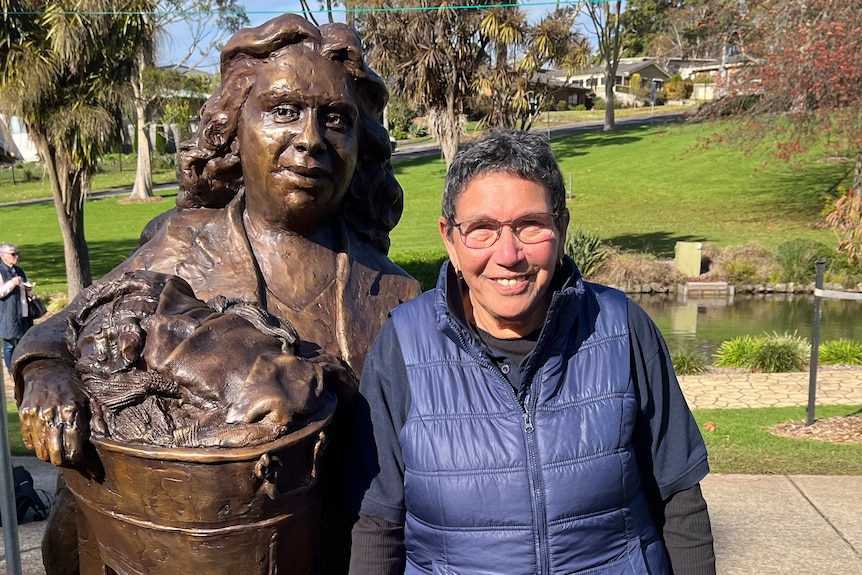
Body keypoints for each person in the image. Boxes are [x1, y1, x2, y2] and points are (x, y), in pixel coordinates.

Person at [12, 14, 419, 575]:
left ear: (359, 142)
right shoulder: (181, 247)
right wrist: (45, 374)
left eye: (335, 119)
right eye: (283, 111)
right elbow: (63, 326)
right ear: (233, 127)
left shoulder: (395, 293)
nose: (309, 139)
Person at [349, 129, 716, 575]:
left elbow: (680, 501)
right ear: (450, 238)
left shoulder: (622, 327)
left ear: (561, 228)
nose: (509, 254)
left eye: (530, 225)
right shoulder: (402, 347)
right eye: (482, 229)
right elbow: (377, 524)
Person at [0, 242, 33, 374]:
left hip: (23, 312)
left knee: (23, 342)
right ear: (3, 256)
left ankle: (22, 367)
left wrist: (29, 290)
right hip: (7, 312)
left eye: (17, 253)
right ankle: (10, 370)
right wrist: (12, 283)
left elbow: (28, 292)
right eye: (13, 254)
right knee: (9, 344)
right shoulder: (1, 271)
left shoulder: (19, 271)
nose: (16, 257)